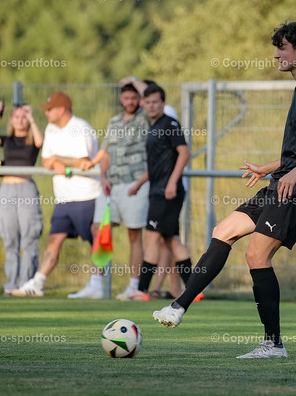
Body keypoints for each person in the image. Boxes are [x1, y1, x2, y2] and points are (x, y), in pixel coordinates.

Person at [152, 21, 296, 359]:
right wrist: (269, 167)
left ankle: (273, 344)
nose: (277, 55)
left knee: (256, 255)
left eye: (282, 48)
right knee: (223, 231)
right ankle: (179, 306)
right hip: (282, 181)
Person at [67, 82, 150, 299]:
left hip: (135, 184)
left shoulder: (145, 119)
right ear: (121, 99)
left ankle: (134, 285)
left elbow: (150, 95)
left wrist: (134, 80)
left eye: (134, 98)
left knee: (134, 235)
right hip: (111, 185)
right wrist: (103, 177)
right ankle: (96, 284)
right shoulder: (113, 122)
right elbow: (106, 152)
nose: (130, 102)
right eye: (126, 98)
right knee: (98, 228)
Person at [13, 92, 101, 297]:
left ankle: (97, 285)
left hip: (87, 195)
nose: (46, 113)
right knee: (54, 240)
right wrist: (57, 161)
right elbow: (46, 161)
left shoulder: (81, 127)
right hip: (63, 197)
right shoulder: (50, 129)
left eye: (50, 109)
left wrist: (58, 159)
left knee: (95, 241)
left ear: (62, 110)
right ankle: (37, 283)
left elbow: (83, 161)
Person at [125, 84, 194, 301]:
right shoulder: (153, 127)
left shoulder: (170, 124)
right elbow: (156, 165)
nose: (152, 106)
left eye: (156, 102)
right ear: (143, 104)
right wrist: (139, 183)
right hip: (157, 190)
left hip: (166, 192)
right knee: (172, 240)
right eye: (148, 102)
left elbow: (184, 153)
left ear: (163, 103)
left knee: (152, 238)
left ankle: (142, 290)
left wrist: (172, 182)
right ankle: (194, 289)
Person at [0, 102, 44, 295]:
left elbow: (40, 142)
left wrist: (32, 119)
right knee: (9, 239)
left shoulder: (32, 139)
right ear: (11, 120)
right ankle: (11, 284)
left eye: (24, 117)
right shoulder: (7, 140)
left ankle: (27, 284)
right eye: (17, 116)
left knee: (29, 237)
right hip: (7, 189)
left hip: (26, 188)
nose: (20, 120)